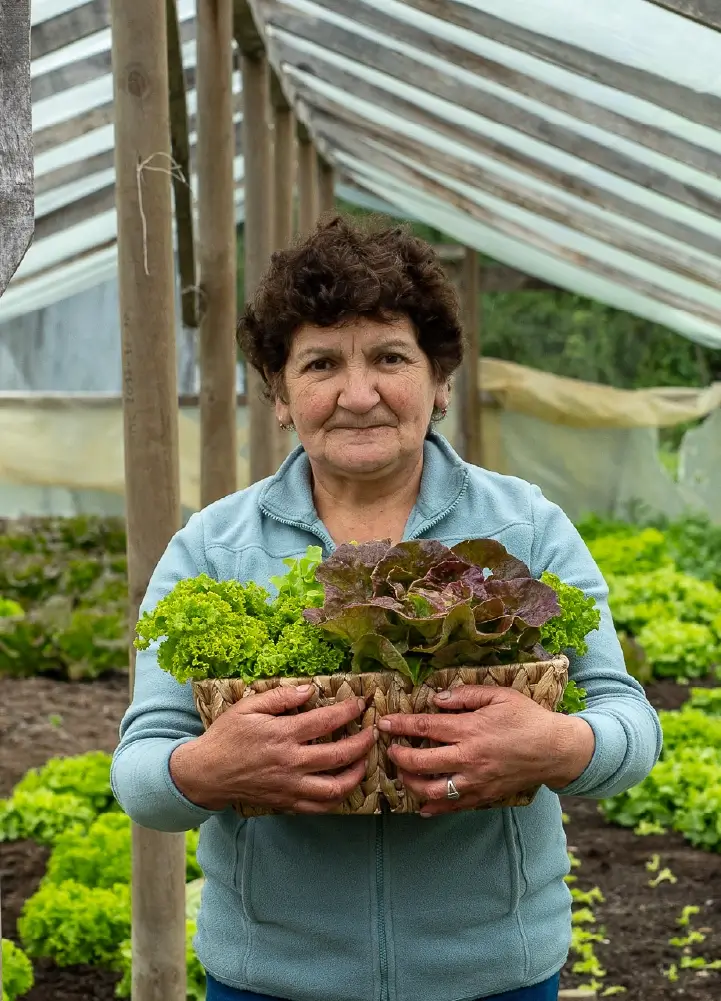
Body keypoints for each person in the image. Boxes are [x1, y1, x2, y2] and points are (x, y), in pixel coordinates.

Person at [111, 216, 662, 1001]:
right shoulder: (212, 546)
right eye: (321, 363)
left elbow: (629, 724)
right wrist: (206, 769)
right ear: (277, 391)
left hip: (492, 977)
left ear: (439, 382)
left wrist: (557, 745)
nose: (358, 393)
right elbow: (140, 770)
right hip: (273, 980)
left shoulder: (524, 525)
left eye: (390, 357)